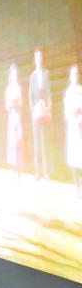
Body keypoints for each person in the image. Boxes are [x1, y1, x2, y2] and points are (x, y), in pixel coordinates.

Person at [28, 48, 51, 181]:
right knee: (36, 142)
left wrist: (48, 108)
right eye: (37, 57)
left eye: (40, 57)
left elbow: (49, 93)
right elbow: (30, 96)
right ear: (35, 59)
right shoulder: (32, 76)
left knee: (44, 142)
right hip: (36, 114)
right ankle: (37, 172)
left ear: (42, 59)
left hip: (44, 112)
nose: (39, 59)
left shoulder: (46, 73)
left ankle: (46, 172)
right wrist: (33, 110)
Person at [64, 65, 82, 199]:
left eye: (77, 74)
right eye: (73, 74)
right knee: (74, 157)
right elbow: (67, 111)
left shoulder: (81, 90)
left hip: (81, 125)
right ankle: (76, 186)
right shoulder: (69, 92)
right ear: (70, 77)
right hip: (72, 126)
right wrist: (73, 118)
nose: (75, 77)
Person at [5, 63, 24, 183]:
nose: (14, 76)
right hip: (11, 115)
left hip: (18, 115)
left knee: (19, 140)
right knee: (12, 142)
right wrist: (10, 104)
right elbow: (6, 105)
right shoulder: (8, 89)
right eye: (12, 74)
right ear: (10, 75)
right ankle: (13, 167)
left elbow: (21, 102)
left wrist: (18, 102)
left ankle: (19, 168)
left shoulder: (18, 87)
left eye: (15, 74)